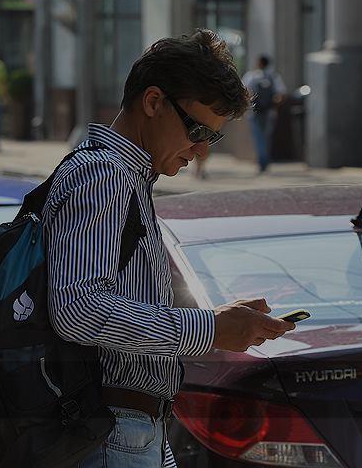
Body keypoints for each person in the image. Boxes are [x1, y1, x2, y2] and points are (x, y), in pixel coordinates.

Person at [42, 30, 296, 468]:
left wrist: (216, 320)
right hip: (109, 428)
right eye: (196, 130)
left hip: (129, 427)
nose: (200, 150)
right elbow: (78, 309)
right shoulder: (105, 176)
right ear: (153, 102)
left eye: (212, 138)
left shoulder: (127, 177)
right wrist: (208, 329)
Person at [242, 55, 287, 173]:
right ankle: (265, 160)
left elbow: (244, 91)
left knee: (258, 137)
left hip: (254, 112)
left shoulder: (251, 76)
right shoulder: (274, 76)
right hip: (269, 112)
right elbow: (281, 94)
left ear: (259, 63)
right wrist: (272, 105)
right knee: (266, 137)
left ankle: (262, 161)